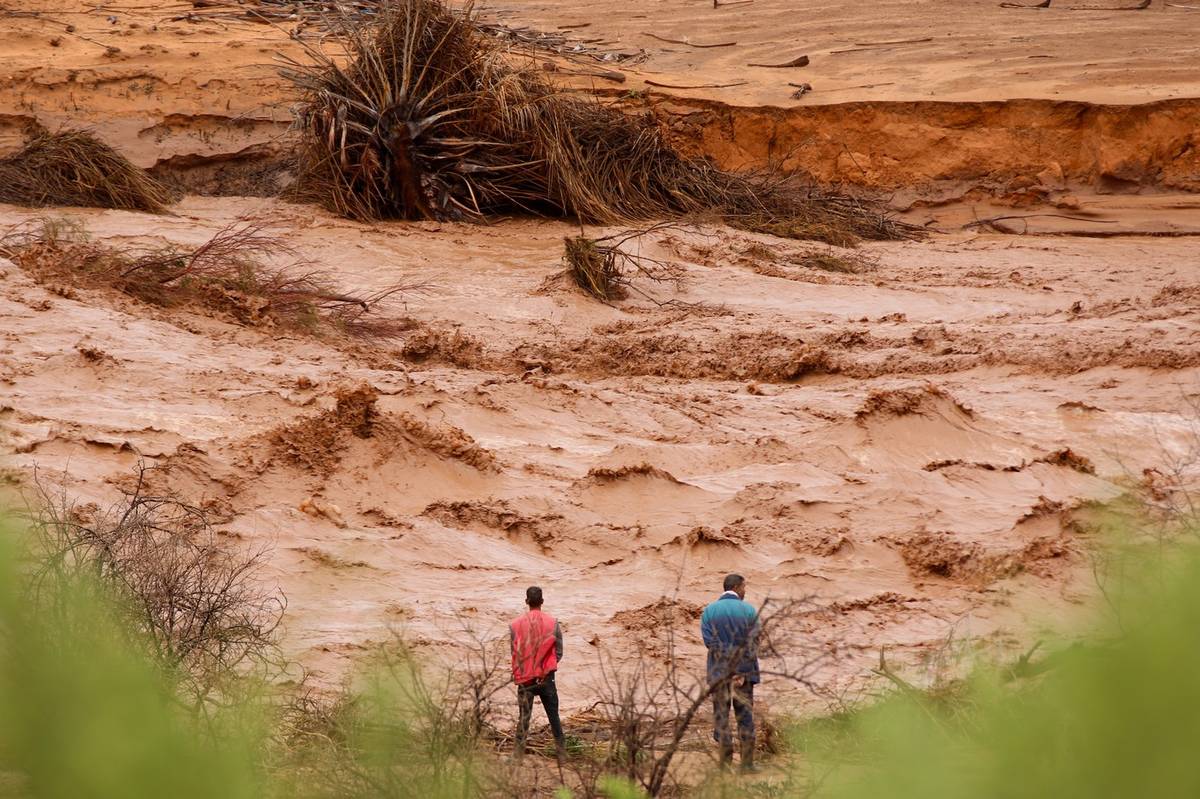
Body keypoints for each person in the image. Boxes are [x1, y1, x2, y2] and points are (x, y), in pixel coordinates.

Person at [700, 573, 761, 771]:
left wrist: (727, 670)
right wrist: (740, 671)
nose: (745, 591)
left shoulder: (709, 611)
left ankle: (724, 765)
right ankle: (746, 766)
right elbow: (752, 643)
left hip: (719, 675)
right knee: (745, 717)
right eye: (744, 587)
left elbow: (711, 643)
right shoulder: (749, 610)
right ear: (736, 587)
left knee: (721, 717)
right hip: (744, 675)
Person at [510, 585, 565, 757]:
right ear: (542, 601)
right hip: (546, 677)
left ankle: (518, 756)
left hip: (525, 678)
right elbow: (558, 652)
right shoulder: (553, 623)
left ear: (526, 601)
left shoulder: (514, 625)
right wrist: (545, 670)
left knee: (524, 718)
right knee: (554, 717)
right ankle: (562, 755)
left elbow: (515, 653)